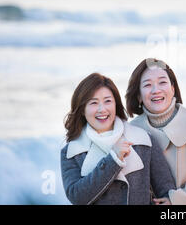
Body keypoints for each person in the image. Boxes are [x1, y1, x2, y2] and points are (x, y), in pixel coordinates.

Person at [60, 72, 176, 205]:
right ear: (82, 109)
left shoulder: (143, 140)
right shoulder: (72, 151)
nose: (102, 109)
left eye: (108, 101)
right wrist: (113, 159)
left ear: (116, 104)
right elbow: (78, 198)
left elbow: (166, 190)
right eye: (93, 103)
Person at [126, 58, 186, 205]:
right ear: (139, 96)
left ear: (173, 88)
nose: (156, 90)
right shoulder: (132, 132)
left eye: (162, 82)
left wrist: (175, 201)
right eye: (147, 85)